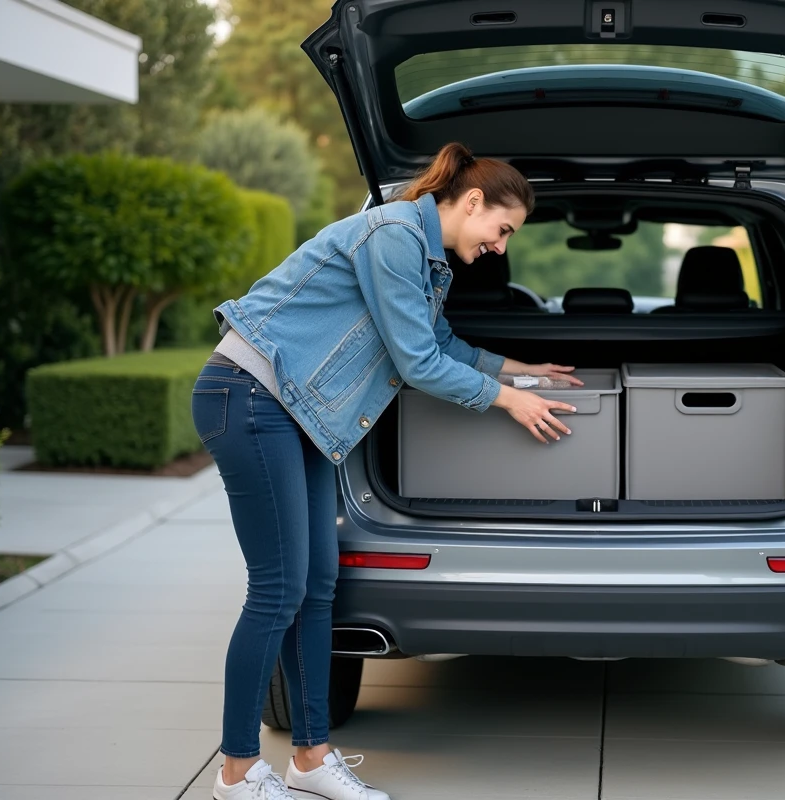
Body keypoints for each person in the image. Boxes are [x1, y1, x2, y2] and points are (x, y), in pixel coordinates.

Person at [192, 142, 581, 800]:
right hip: (254, 397)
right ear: (473, 201)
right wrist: (510, 401)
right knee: (277, 591)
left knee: (317, 585)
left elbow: (440, 344)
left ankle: (311, 760)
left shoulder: (427, 260)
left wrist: (523, 371)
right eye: (503, 230)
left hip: (298, 411)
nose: (502, 247)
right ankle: (236, 773)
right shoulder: (394, 235)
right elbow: (417, 362)